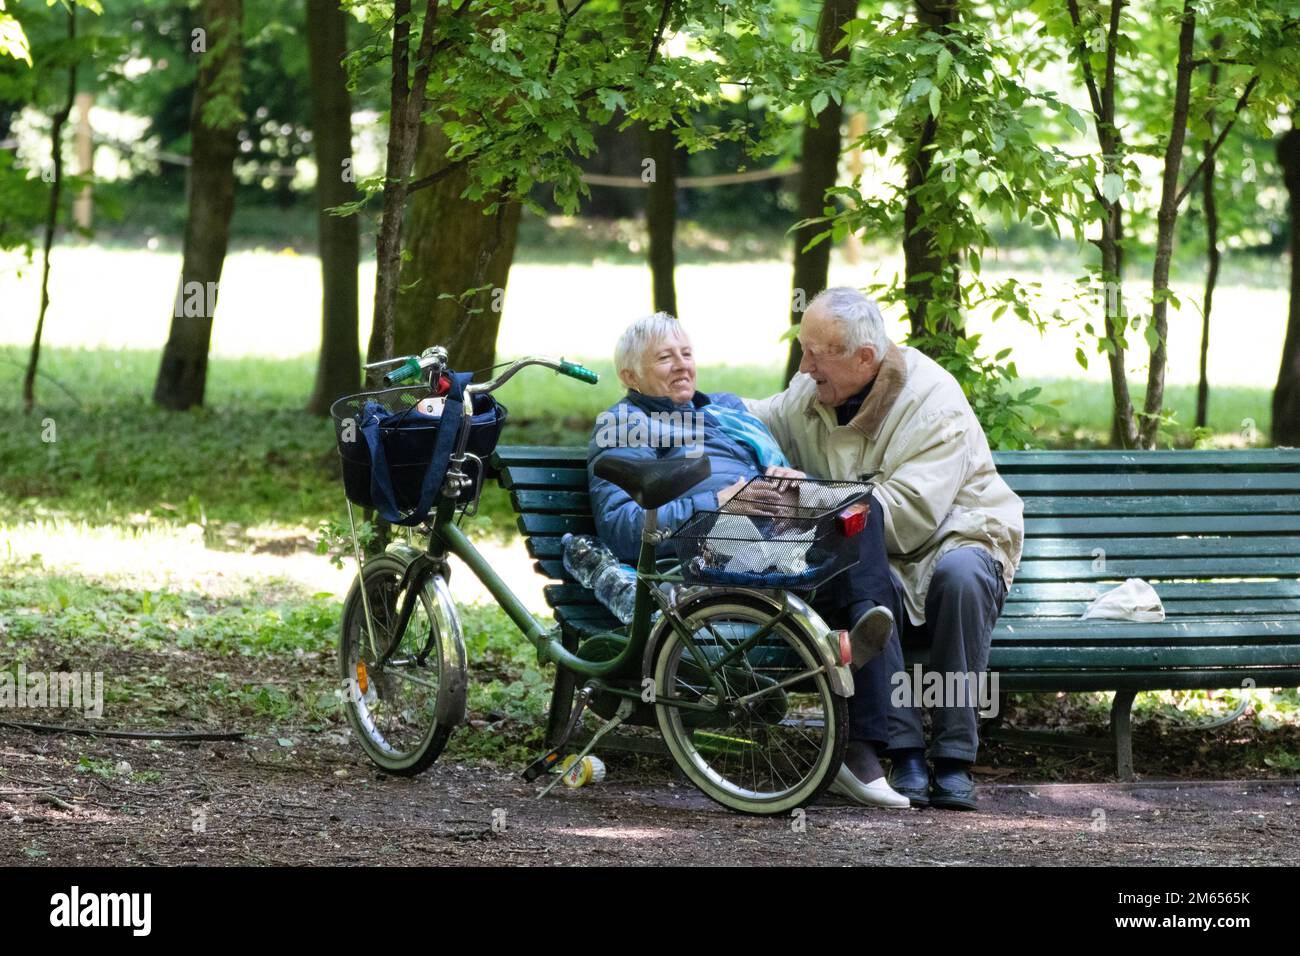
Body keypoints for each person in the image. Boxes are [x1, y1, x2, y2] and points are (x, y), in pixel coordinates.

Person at [587, 312, 909, 808]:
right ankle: (859, 738)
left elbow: (772, 473)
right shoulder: (625, 424)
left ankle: (861, 637)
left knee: (860, 507)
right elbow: (626, 531)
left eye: (686, 353)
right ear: (629, 376)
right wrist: (718, 503)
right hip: (707, 553)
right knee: (827, 554)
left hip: (773, 537)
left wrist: (784, 483)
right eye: (664, 357)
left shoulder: (729, 409)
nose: (681, 365)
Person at [745, 287, 1024, 810]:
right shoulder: (814, 392)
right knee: (873, 587)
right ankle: (906, 753)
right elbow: (760, 416)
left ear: (864, 358)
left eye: (815, 354)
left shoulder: (932, 400)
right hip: (876, 555)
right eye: (803, 350)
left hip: (955, 535)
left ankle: (955, 757)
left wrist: (810, 493)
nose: (803, 367)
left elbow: (910, 519)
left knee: (959, 579)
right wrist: (689, 411)